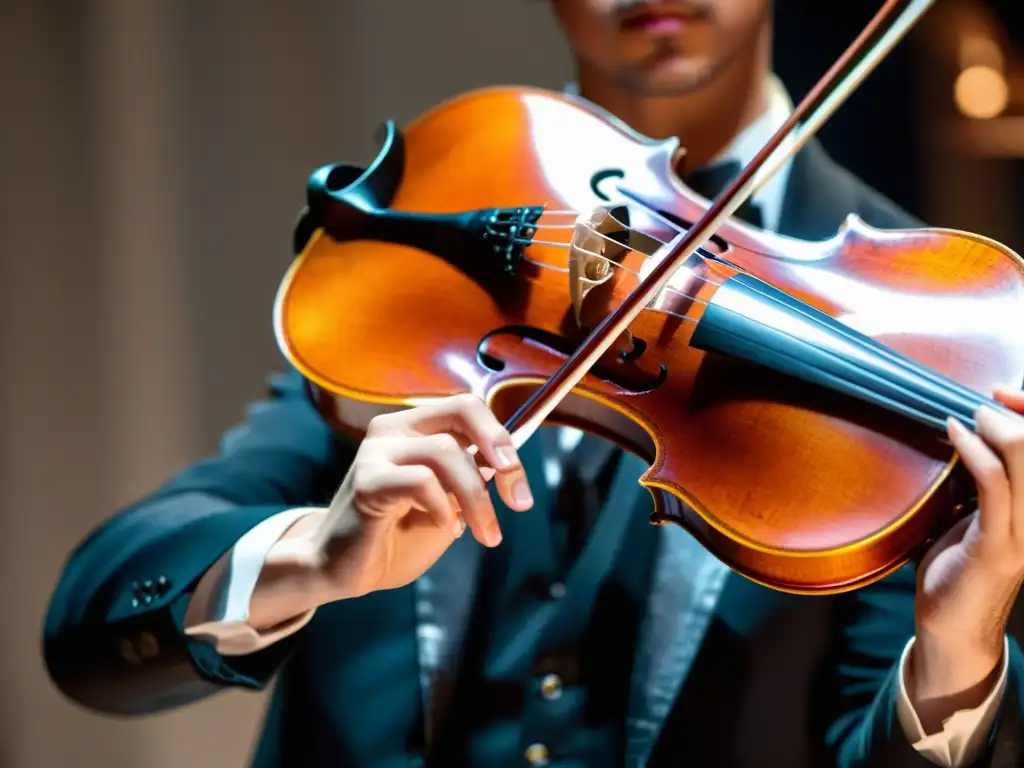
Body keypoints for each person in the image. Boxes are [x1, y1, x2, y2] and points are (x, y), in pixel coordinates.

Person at [41, 1, 1024, 766]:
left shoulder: (927, 325)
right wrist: (310, 557)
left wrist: (955, 660)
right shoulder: (443, 256)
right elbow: (92, 630)